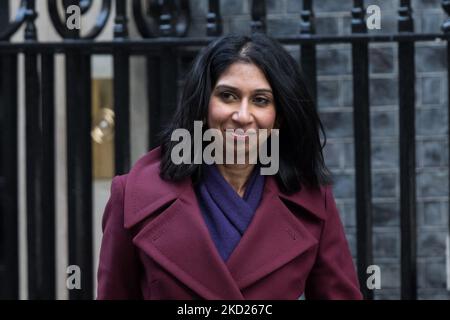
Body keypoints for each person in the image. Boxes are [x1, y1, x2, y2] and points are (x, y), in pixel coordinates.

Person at [97, 33, 363, 300]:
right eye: (228, 96)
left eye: (260, 100)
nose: (243, 116)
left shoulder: (312, 201)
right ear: (203, 105)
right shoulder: (133, 197)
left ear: (278, 117)